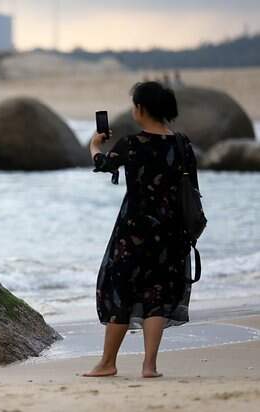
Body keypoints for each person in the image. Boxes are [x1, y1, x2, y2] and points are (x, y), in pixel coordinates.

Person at [85, 81, 199, 378]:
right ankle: (150, 366)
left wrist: (95, 144)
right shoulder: (182, 144)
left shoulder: (132, 144)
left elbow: (103, 164)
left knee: (121, 291)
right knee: (156, 294)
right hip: (170, 231)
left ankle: (107, 363)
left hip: (134, 231)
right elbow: (192, 189)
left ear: (141, 109)